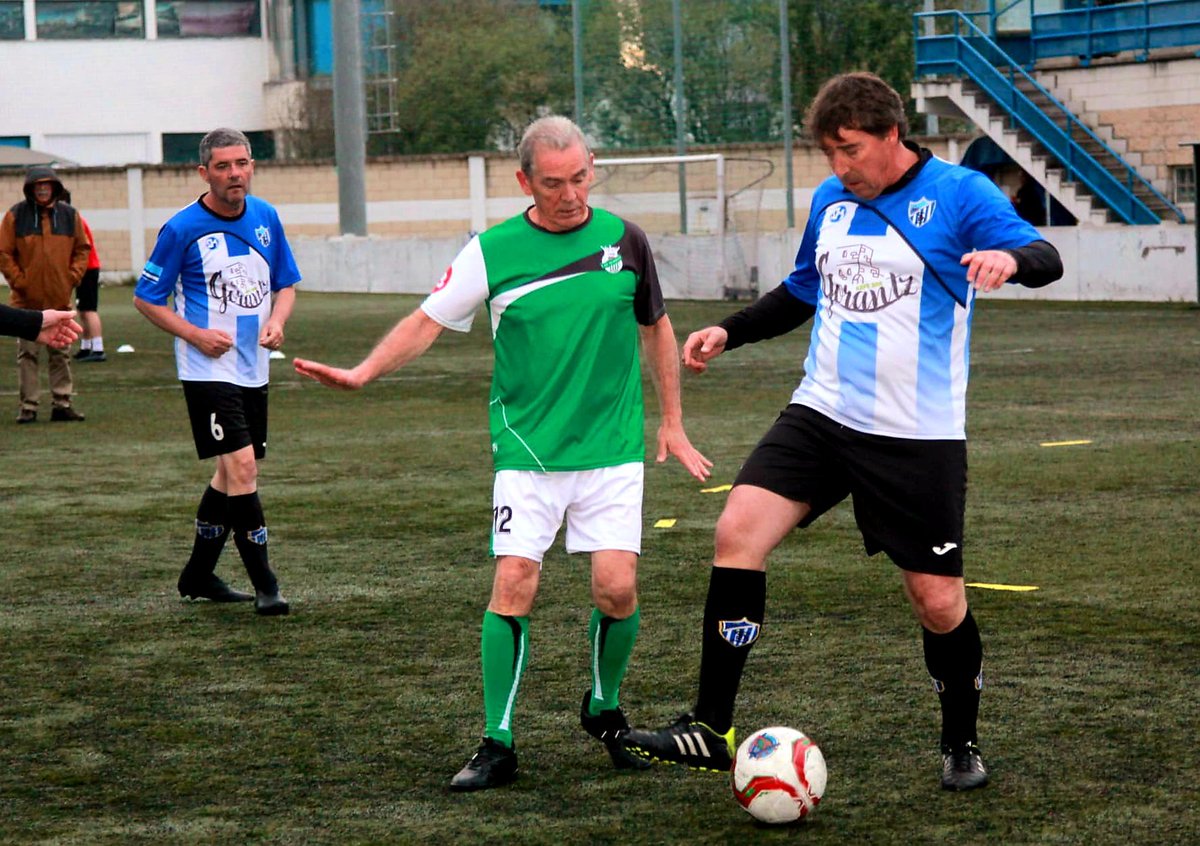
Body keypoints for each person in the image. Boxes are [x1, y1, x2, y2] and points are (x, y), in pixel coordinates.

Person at [623, 72, 1063, 792]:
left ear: (892, 134)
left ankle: (960, 741)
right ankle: (710, 726)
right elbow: (803, 289)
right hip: (821, 414)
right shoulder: (831, 200)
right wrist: (728, 333)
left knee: (937, 601)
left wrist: (1009, 259)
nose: (838, 167)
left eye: (850, 149)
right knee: (738, 530)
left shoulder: (959, 193)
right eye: (828, 152)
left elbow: (1047, 256)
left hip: (915, 436)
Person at [294, 115, 712, 792]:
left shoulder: (625, 240)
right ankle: (498, 741)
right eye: (553, 183)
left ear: (592, 168)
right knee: (515, 583)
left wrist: (673, 422)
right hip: (527, 452)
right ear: (524, 181)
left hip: (611, 450)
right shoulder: (492, 251)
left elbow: (656, 328)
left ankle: (604, 711)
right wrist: (365, 372)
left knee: (617, 588)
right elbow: (426, 321)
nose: (571, 193)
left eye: (580, 177)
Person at [133, 127, 299, 616]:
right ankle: (267, 585)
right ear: (203, 172)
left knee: (230, 473)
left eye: (242, 163)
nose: (235, 174)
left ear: (252, 166)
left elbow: (285, 283)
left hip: (254, 365)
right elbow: (146, 298)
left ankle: (199, 574)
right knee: (242, 466)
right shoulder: (181, 228)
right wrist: (194, 335)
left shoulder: (267, 217)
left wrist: (277, 321)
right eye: (223, 166)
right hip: (207, 368)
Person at [0, 166, 90, 424]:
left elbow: (82, 249)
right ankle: (28, 406)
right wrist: (19, 281)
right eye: (37, 185)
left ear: (54, 188)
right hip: (24, 302)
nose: (42, 189)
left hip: (59, 298)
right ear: (30, 188)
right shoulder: (15, 216)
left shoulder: (70, 215)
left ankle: (62, 403)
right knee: (27, 354)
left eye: (47, 184)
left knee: (61, 353)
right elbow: (4, 253)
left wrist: (71, 277)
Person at [61, 190, 106, 362]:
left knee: (89, 309)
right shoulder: (68, 221)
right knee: (82, 310)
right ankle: (86, 346)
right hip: (81, 269)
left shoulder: (74, 221)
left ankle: (98, 348)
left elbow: (81, 249)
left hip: (88, 268)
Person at [0, 305, 81, 348]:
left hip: (58, 300)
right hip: (27, 301)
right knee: (27, 354)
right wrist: (36, 322)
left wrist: (36, 322)